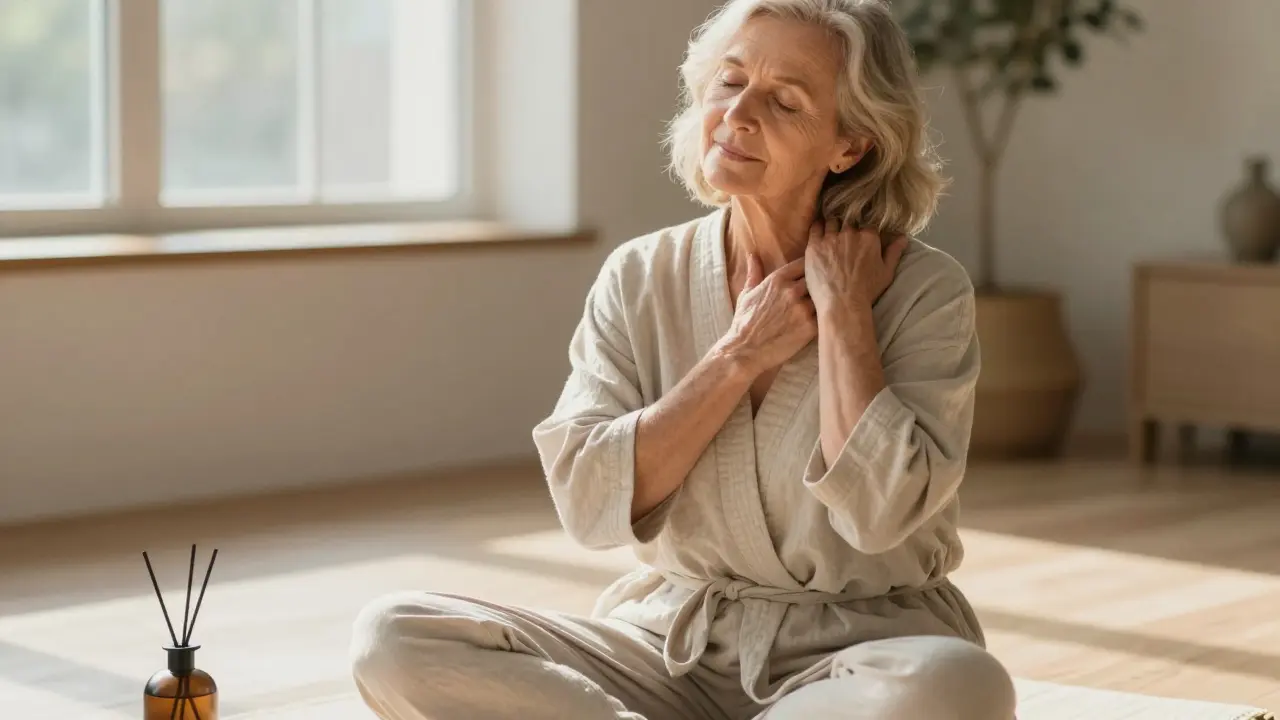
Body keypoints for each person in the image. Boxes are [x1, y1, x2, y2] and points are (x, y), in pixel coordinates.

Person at [349, 0, 1018, 718]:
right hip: (668, 649)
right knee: (393, 636)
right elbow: (587, 501)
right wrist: (737, 355)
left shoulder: (923, 289)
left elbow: (882, 516)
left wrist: (847, 314)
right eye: (730, 83)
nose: (738, 115)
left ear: (849, 145)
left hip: (859, 657)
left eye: (785, 102)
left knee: (961, 685)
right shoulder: (639, 275)